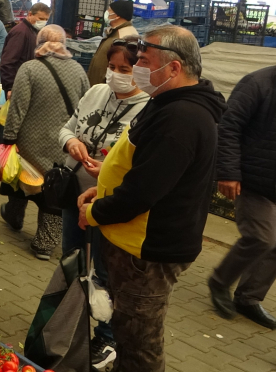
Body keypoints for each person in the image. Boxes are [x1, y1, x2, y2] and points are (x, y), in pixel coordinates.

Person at [77, 27, 224, 372]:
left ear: (174, 68)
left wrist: (94, 211)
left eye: (144, 60)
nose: (137, 66)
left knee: (139, 344)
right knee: (128, 333)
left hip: (148, 252)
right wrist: (105, 187)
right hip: (134, 243)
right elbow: (147, 170)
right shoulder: (166, 103)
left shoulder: (182, 118)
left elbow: (143, 192)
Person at [57, 37, 148, 368]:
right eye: (111, 67)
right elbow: (66, 128)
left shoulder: (148, 109)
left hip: (110, 206)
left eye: (125, 69)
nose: (115, 75)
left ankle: (107, 337)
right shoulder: (95, 92)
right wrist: (71, 144)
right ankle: (71, 322)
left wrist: (106, 170)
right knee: (74, 261)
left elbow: (141, 167)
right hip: (74, 193)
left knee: (105, 272)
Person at [0, 25, 89, 260]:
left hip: (31, 141)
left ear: (39, 42)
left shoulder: (29, 69)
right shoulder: (79, 70)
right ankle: (45, 244)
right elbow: (85, 108)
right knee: (54, 192)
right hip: (64, 143)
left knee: (23, 180)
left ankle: (14, 216)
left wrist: (9, 136)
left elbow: (18, 107)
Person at [209, 65, 276, 329]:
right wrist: (228, 172)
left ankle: (248, 299)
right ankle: (220, 281)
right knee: (261, 237)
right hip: (252, 179)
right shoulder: (258, 82)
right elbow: (228, 126)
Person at [0, 3, 50, 96]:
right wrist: (10, 86)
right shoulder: (20, 32)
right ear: (30, 14)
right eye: (41, 18)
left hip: (26, 83)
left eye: (46, 19)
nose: (43, 22)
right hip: (17, 86)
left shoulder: (33, 31)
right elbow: (8, 61)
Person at [88, 0, 138, 86]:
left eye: (109, 10)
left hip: (108, 87)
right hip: (99, 85)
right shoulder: (114, 32)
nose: (106, 12)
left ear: (117, 15)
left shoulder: (124, 36)